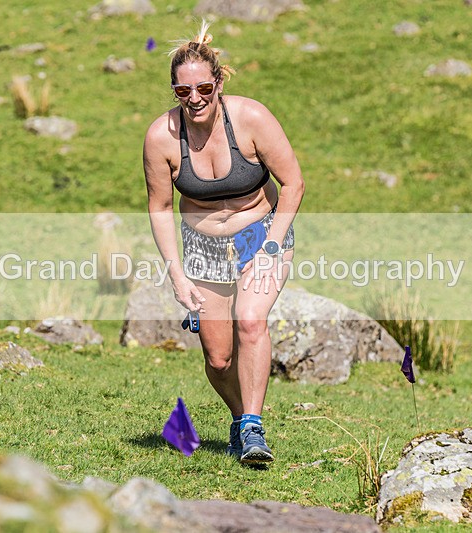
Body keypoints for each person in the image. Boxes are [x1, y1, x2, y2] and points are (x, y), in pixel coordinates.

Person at [143, 21, 304, 464]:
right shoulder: (162, 138)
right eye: (182, 91)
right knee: (217, 358)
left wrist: (270, 248)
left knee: (251, 320)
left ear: (218, 82)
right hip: (202, 247)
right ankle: (239, 417)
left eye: (203, 88)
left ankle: (253, 428)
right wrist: (176, 274)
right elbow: (159, 207)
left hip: (260, 234)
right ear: (174, 92)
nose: (194, 98)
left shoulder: (251, 118)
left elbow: (293, 185)